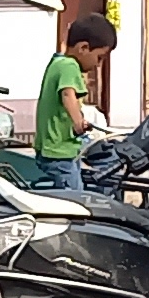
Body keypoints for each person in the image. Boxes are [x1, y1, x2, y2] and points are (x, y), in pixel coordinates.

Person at [33, 15, 116, 192]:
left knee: (106, 156)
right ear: (83, 48)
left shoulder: (58, 61)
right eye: (99, 57)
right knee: (76, 198)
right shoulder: (69, 66)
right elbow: (67, 94)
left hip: (61, 147)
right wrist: (78, 122)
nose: (98, 65)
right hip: (59, 152)